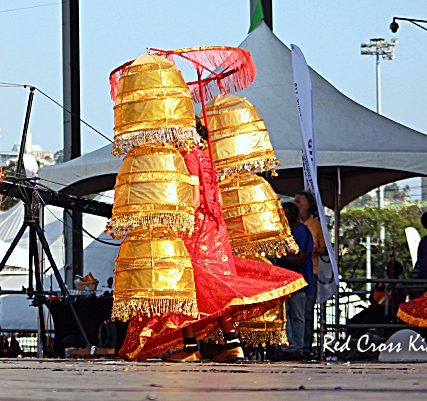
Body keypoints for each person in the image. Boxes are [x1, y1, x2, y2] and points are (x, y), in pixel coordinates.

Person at [120, 117, 306, 363]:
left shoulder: (187, 158)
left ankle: (191, 348)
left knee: (185, 285)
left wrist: (170, 214)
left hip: (195, 228)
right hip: (214, 229)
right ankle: (231, 345)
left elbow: (195, 200)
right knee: (215, 287)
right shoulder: (206, 157)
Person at [274, 201, 314, 358]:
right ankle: (287, 346)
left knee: (297, 314)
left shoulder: (303, 232)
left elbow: (301, 258)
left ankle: (297, 346)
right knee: (285, 314)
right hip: (283, 280)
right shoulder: (281, 232)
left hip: (299, 280)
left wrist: (280, 257)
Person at [294, 191, 327, 353]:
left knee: (307, 311)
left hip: (310, 272)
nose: (296, 206)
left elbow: (326, 249)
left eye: (299, 202)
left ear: (307, 205)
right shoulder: (290, 225)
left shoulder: (315, 225)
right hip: (293, 273)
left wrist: (309, 249)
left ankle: (306, 345)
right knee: (294, 311)